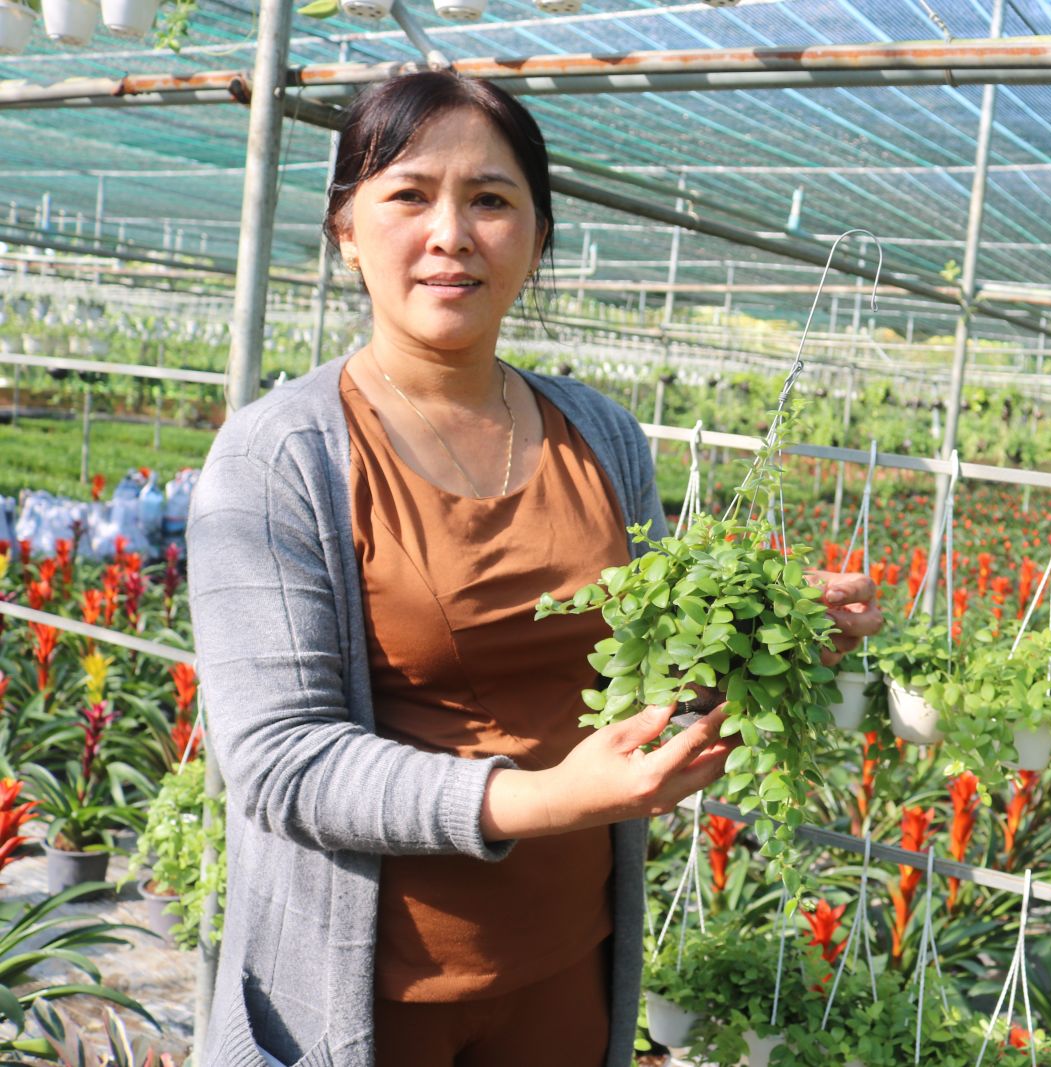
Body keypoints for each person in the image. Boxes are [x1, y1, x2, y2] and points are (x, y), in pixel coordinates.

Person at [187, 70, 882, 1067]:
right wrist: (550, 797)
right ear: (346, 230)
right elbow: (281, 759)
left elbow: (646, 663)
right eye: (409, 194)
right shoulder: (278, 455)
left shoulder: (599, 433)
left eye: (491, 199)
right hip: (371, 994)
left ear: (539, 236)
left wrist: (770, 624)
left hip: (567, 965)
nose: (451, 234)